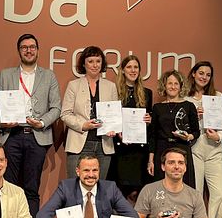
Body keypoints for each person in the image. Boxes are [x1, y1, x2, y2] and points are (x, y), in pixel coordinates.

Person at [0, 33, 61, 218]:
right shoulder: (6, 75)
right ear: (19, 51)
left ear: (38, 50)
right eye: (24, 47)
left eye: (32, 47)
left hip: (36, 135)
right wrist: (3, 121)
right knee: (8, 187)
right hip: (12, 135)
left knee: (32, 188)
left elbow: (56, 107)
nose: (29, 50)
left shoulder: (48, 76)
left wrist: (41, 122)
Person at [61, 46, 118, 179]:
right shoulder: (73, 85)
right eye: (91, 61)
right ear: (83, 63)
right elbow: (65, 114)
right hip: (79, 143)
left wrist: (113, 128)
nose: (95, 65)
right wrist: (83, 125)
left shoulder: (111, 86)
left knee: (99, 188)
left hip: (103, 145)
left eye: (98, 61)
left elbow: (114, 115)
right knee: (74, 188)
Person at [184, 61, 222, 218]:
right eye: (201, 73)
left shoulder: (217, 96)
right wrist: (196, 118)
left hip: (214, 148)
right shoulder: (185, 98)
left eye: (208, 75)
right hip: (195, 147)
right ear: (194, 74)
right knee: (196, 192)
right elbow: (181, 126)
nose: (204, 77)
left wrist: (218, 136)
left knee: (218, 194)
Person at [108, 55, 152, 203]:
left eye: (136, 67)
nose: (133, 70)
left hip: (139, 150)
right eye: (129, 67)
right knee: (120, 188)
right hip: (120, 149)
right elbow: (110, 118)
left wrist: (149, 119)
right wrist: (118, 131)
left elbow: (149, 119)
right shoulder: (113, 91)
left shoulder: (147, 93)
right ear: (122, 70)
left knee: (138, 191)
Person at [148, 70, 199, 187]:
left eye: (176, 84)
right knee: (161, 187)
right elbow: (153, 136)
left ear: (181, 86)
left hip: (182, 149)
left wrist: (188, 137)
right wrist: (150, 160)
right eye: (170, 83)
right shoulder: (157, 108)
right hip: (161, 151)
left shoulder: (189, 106)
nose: (173, 86)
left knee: (184, 187)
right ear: (164, 86)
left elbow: (196, 132)